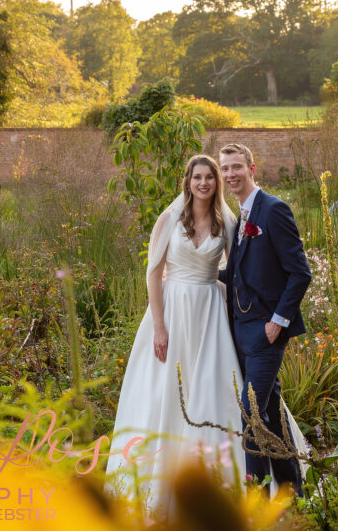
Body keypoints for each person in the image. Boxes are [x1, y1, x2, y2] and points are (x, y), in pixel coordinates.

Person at [104, 154, 307, 517]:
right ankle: (160, 479)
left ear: (218, 182)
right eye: (198, 177)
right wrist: (160, 326)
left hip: (212, 312)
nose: (204, 183)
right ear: (188, 180)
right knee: (165, 390)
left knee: (225, 393)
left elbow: (240, 269)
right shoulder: (168, 219)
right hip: (173, 311)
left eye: (210, 177)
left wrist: (259, 313)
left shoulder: (227, 221)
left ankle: (242, 488)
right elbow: (153, 273)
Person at [219, 142, 310, 497]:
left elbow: (300, 273)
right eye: (225, 169)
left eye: (237, 167)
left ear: (252, 168)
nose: (231, 175)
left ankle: (256, 500)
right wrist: (198, 277)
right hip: (240, 333)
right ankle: (292, 494)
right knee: (270, 410)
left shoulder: (273, 210)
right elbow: (242, 274)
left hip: (266, 332)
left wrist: (278, 322)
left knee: (251, 410)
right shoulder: (241, 215)